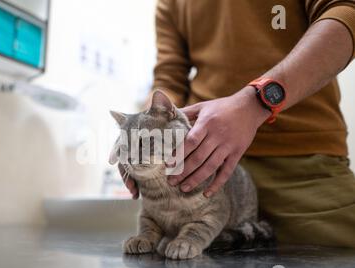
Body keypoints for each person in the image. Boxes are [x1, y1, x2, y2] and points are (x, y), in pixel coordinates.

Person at [120, 0, 355, 247]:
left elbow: (346, 12)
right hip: (196, 166)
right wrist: (139, 136)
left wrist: (256, 103)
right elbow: (169, 79)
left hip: (304, 168)